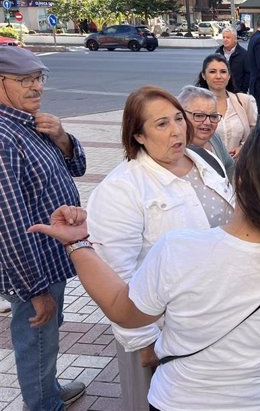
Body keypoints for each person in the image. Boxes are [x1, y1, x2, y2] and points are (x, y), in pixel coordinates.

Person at [30, 121, 260, 411]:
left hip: (185, 398)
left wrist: (77, 244)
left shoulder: (180, 250)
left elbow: (123, 311)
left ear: (239, 178)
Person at [84, 86, 234, 410]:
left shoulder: (204, 160)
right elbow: (116, 276)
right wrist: (145, 344)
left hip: (211, 320)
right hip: (160, 332)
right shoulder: (122, 189)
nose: (177, 130)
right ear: (138, 135)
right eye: (161, 124)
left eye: (179, 118)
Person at [0, 46, 87, 410]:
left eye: (39, 78)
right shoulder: (4, 138)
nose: (36, 87)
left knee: (48, 333)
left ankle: (47, 388)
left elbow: (78, 167)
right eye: (25, 80)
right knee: (36, 336)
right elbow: (8, 224)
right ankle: (42, 404)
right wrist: (34, 288)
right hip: (32, 267)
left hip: (52, 257)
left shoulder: (32, 123)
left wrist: (63, 138)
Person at [196, 53, 257, 157]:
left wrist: (243, 148)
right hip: (207, 166)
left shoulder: (243, 101)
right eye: (212, 72)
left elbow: (255, 132)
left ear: (229, 76)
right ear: (203, 75)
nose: (218, 76)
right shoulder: (194, 104)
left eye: (223, 72)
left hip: (238, 167)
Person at [177, 85, 234, 179]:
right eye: (199, 116)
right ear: (181, 115)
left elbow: (230, 168)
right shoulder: (175, 149)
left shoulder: (214, 138)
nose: (207, 122)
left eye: (213, 116)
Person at [214, 26, 250, 93]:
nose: (225, 40)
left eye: (228, 37)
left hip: (237, 92)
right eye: (224, 37)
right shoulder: (218, 53)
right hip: (220, 92)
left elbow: (248, 74)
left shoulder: (244, 54)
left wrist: (242, 91)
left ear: (235, 39)